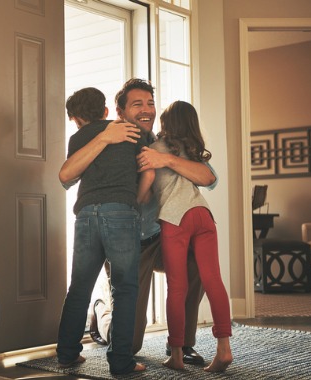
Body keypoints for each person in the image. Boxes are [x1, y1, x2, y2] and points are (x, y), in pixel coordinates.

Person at [60, 78, 217, 366]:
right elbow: (67, 177)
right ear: (118, 113)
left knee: (195, 262)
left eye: (150, 103)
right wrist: (106, 138)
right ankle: (102, 316)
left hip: (160, 236)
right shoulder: (109, 138)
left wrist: (165, 160)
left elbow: (209, 178)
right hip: (128, 238)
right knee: (129, 339)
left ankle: (181, 344)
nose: (146, 110)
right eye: (137, 104)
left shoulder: (163, 143)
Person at [56, 87, 149, 375]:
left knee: (79, 288)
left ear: (75, 119)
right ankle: (121, 362)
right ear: (107, 111)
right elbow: (149, 170)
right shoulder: (131, 131)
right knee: (124, 288)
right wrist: (136, 200)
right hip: (121, 210)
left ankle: (67, 353)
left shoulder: (78, 138)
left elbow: (69, 177)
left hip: (86, 214)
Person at [147, 100, 232, 372]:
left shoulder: (154, 149)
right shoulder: (193, 152)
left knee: (177, 287)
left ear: (166, 123)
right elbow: (208, 180)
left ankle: (176, 354)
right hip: (203, 214)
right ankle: (224, 349)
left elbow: (148, 187)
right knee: (213, 280)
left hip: (175, 217)